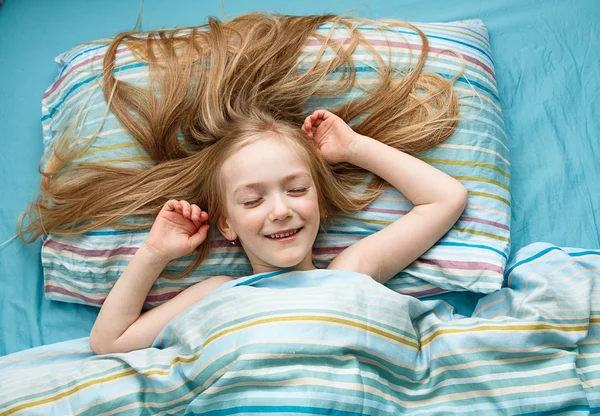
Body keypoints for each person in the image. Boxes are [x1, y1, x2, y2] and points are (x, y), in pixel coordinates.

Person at [88, 108, 467, 354]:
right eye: (253, 201)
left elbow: (445, 199)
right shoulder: (217, 293)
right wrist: (154, 255)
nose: (281, 210)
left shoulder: (350, 272)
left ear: (319, 202)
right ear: (227, 225)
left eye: (297, 190)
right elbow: (108, 343)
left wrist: (354, 148)